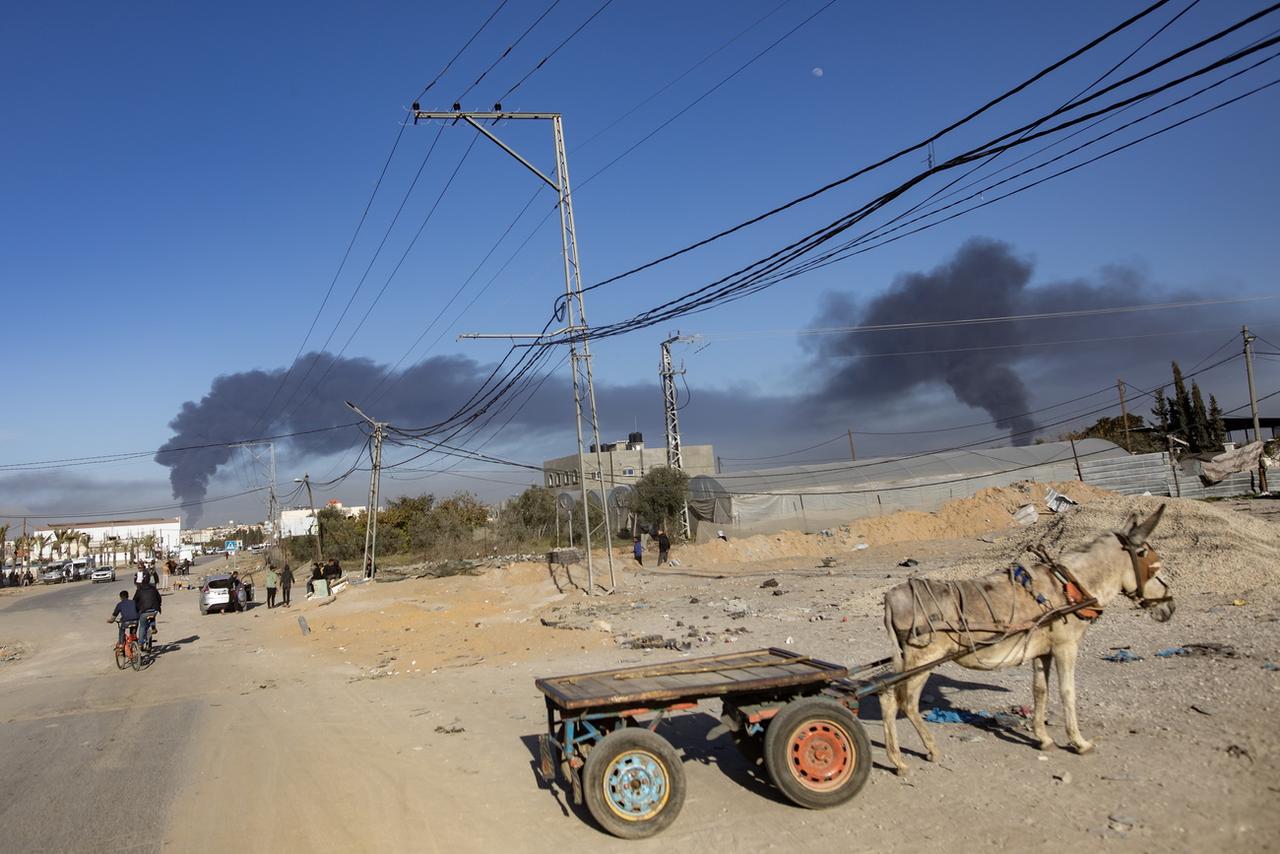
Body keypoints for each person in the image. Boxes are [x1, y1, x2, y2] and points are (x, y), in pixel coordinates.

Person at [133, 578, 162, 648]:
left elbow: (134, 601)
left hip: (144, 611)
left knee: (142, 626)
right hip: (154, 610)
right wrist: (159, 605)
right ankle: (153, 627)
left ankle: (140, 643)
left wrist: (137, 609)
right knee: (152, 615)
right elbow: (159, 598)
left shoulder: (139, 590)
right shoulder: (154, 589)